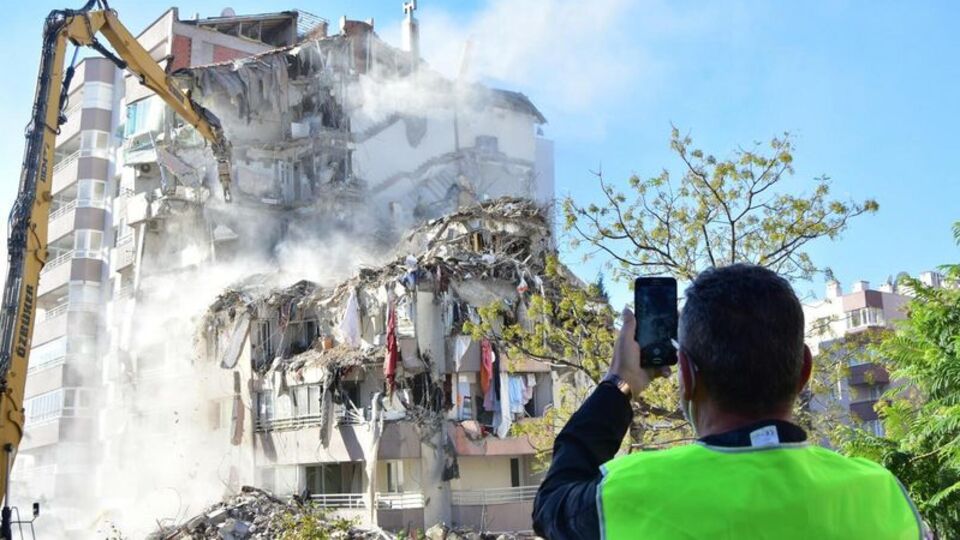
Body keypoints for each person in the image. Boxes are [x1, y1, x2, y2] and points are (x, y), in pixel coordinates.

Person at [532, 264, 928, 539]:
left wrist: (620, 384)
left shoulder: (627, 493)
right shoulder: (884, 494)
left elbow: (551, 504)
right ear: (804, 370)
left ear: (685, 375)